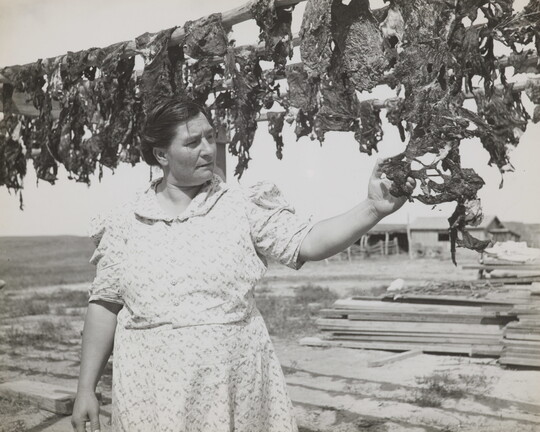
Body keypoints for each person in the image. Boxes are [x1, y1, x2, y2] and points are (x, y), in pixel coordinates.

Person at [71, 96, 415, 432]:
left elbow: (309, 241)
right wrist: (86, 388)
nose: (208, 149)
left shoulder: (241, 205)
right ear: (162, 154)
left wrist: (372, 208)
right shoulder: (126, 220)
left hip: (232, 382)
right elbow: (105, 304)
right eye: (192, 142)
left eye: (210, 136)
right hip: (149, 389)